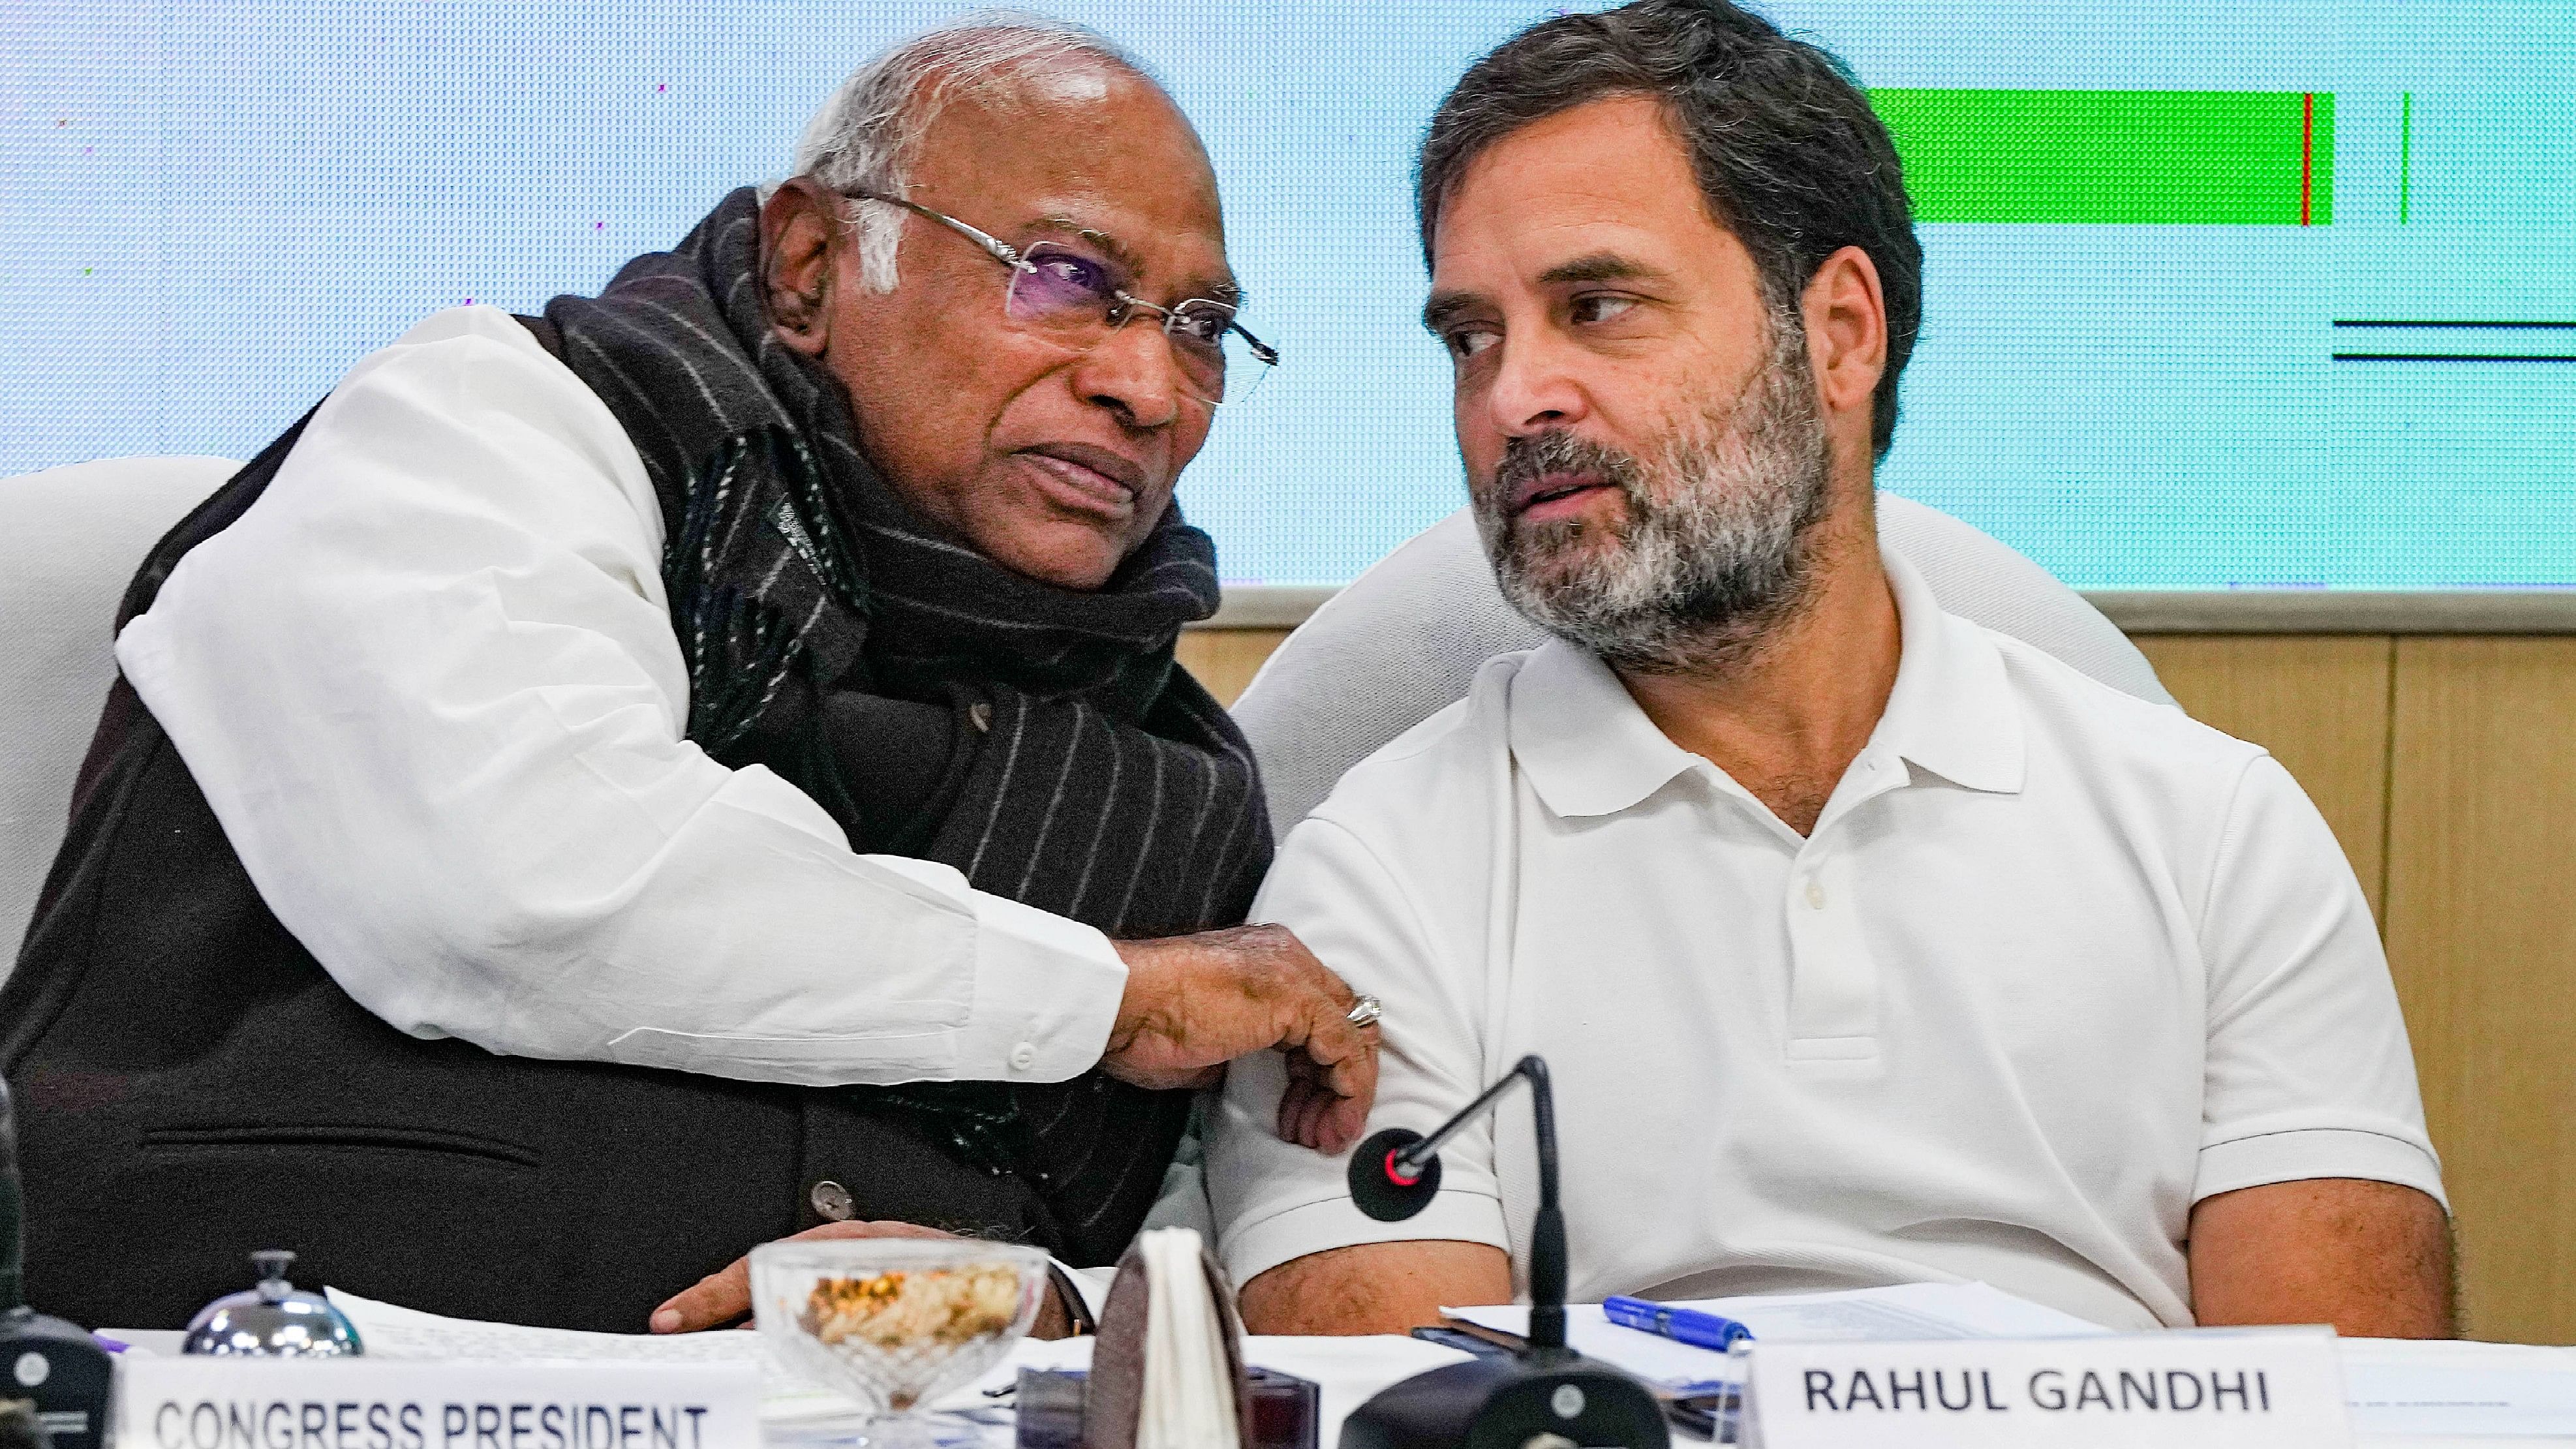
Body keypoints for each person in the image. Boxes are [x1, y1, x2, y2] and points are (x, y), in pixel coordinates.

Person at [0, 18, 1377, 1334]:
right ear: (809, 265)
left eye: (1199, 326)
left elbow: (1199, 1237)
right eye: (1066, 276)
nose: (1147, 382)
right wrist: (1106, 997)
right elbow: (525, 879)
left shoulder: (1168, 764)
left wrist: (1035, 1297)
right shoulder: (488, 423)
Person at [1208, 0, 2452, 1338]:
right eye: (1473, 339)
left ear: (1843, 332)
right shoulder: (1373, 878)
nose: (1517, 398)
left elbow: (2346, 1397)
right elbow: (1401, 1413)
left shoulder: (2217, 835)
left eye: (1598, 305)